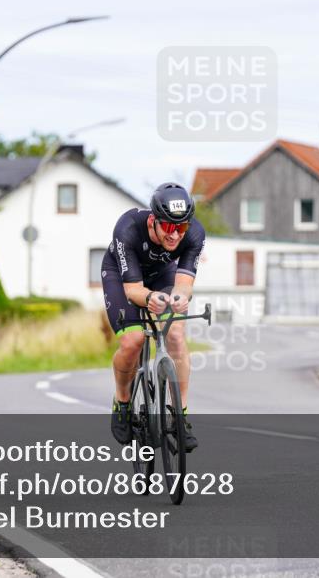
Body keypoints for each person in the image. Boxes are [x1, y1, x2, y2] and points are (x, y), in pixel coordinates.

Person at [101, 182, 205, 452]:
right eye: (169, 227)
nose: (175, 235)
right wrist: (149, 299)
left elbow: (183, 283)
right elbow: (133, 289)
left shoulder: (194, 233)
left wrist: (181, 296)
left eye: (181, 228)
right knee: (133, 341)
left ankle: (179, 416)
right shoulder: (128, 227)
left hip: (163, 274)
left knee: (176, 336)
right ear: (153, 221)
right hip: (123, 276)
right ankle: (122, 401)